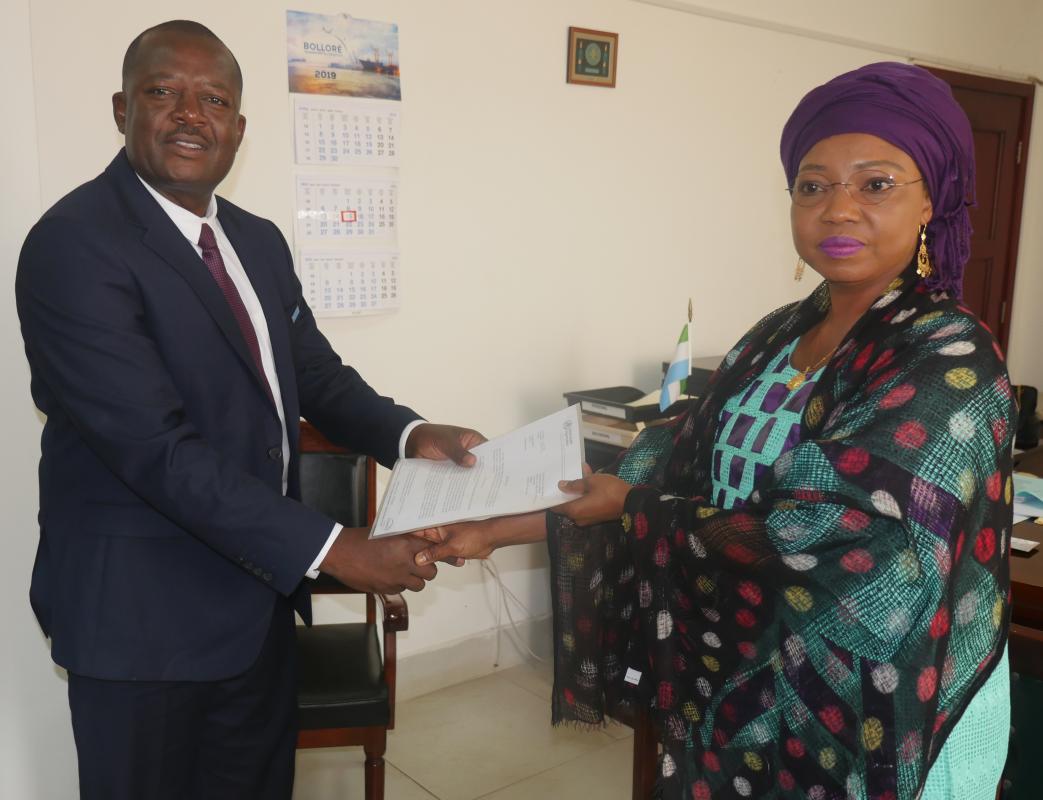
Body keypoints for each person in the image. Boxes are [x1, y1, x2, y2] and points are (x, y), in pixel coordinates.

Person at [415, 62, 1014, 800]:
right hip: (730, 681)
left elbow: (831, 534)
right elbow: (660, 465)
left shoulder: (946, 353)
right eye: (812, 185)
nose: (837, 209)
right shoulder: (774, 335)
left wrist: (632, 511)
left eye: (875, 183)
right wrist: (491, 529)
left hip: (860, 714)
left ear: (933, 200)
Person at [16, 20, 482, 800]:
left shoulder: (256, 242)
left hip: (256, 604)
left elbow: (316, 377)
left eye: (215, 100)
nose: (190, 115)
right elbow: (155, 451)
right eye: (164, 92)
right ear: (121, 108)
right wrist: (336, 547)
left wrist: (407, 433)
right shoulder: (74, 245)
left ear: (238, 129)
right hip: (142, 624)